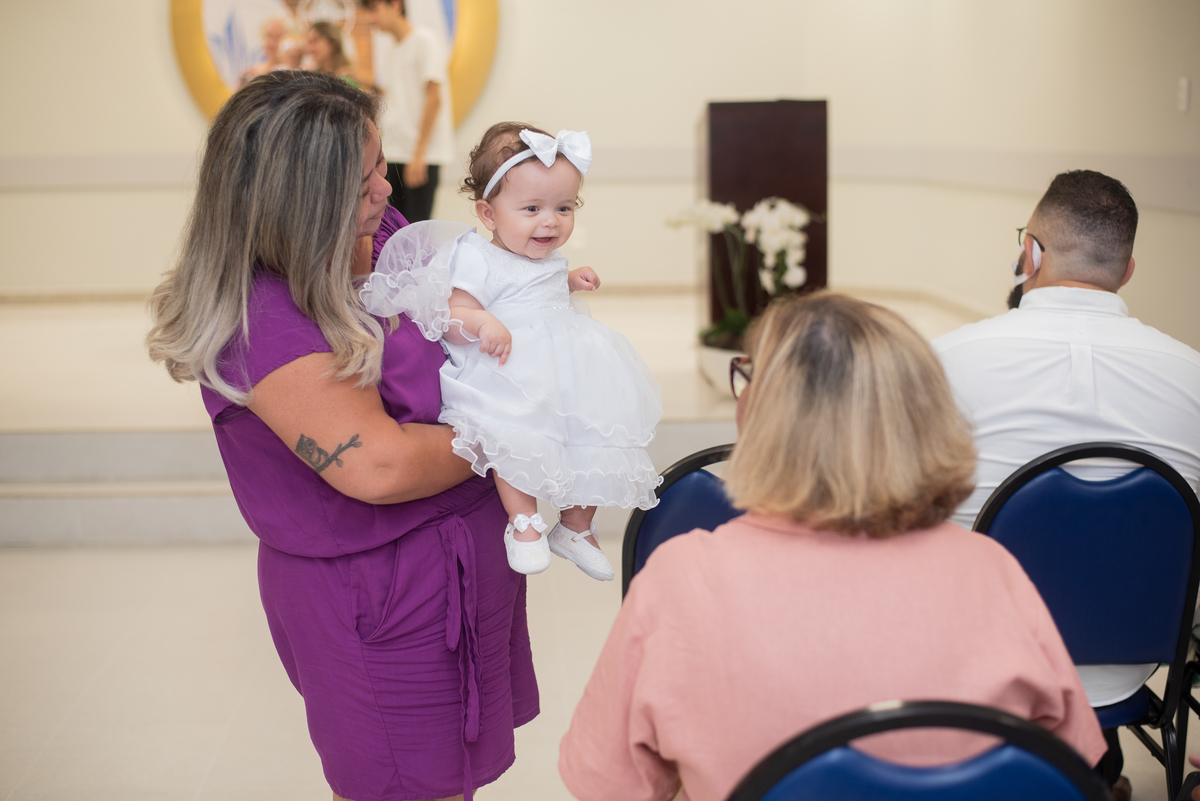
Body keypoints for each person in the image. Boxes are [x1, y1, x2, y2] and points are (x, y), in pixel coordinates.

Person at [145, 71, 536, 801]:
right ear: (296, 205)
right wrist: (522, 428)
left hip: (457, 559)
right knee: (402, 786)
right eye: (362, 184)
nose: (386, 190)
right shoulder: (263, 319)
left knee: (447, 780)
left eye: (382, 164)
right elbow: (380, 467)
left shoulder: (374, 233)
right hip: (378, 594)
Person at [558, 292, 1106, 801]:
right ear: (922, 419)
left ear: (759, 414)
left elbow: (610, 787)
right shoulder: (990, 569)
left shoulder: (681, 580)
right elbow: (1071, 766)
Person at [933, 170, 1200, 799]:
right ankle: (1095, 772)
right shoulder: (1192, 374)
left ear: (1029, 253)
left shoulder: (940, 362)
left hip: (976, 662)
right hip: (1136, 661)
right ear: (1127, 272)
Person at [360, 122, 662, 581]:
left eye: (564, 207)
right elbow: (451, 313)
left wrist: (569, 279)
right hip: (509, 370)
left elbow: (537, 290)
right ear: (488, 213)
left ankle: (576, 525)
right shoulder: (477, 257)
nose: (551, 221)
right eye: (532, 208)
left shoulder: (546, 257)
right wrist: (481, 322)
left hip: (564, 365)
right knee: (514, 434)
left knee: (594, 428)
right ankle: (523, 521)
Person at [357, 0, 455, 223]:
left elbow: (434, 99)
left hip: (419, 155)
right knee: (396, 227)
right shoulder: (393, 49)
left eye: (374, 10)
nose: (371, 19)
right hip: (395, 152)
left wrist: (419, 155)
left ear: (395, 5)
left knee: (417, 227)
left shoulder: (425, 41)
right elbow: (394, 96)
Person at [306, 21, 361, 88]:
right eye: (309, 43)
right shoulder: (312, 77)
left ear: (332, 43)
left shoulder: (347, 78)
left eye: (315, 41)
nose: (310, 49)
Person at [240, 17, 290, 83]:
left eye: (277, 37)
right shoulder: (250, 72)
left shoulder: (293, 74)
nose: (272, 42)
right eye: (269, 36)